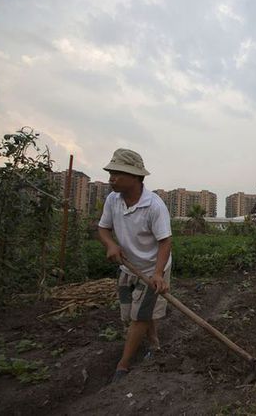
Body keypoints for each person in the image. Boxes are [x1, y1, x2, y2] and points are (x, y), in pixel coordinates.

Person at [97, 148, 173, 382]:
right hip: (128, 267)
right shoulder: (113, 199)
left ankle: (123, 366)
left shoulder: (154, 206)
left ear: (136, 177)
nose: (112, 179)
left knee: (138, 317)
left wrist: (159, 273)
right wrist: (110, 244)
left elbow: (165, 241)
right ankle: (155, 345)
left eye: (118, 174)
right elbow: (103, 228)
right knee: (130, 314)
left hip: (152, 269)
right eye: (111, 173)